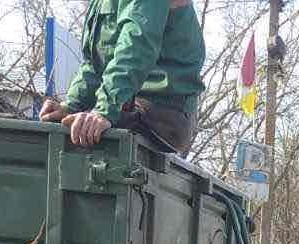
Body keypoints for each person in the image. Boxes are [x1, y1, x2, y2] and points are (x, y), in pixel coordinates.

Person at [39, 0, 206, 154]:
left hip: (162, 111)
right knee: (62, 128)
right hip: (128, 101)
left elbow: (137, 48)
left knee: (82, 138)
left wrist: (104, 111)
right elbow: (96, 63)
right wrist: (71, 106)